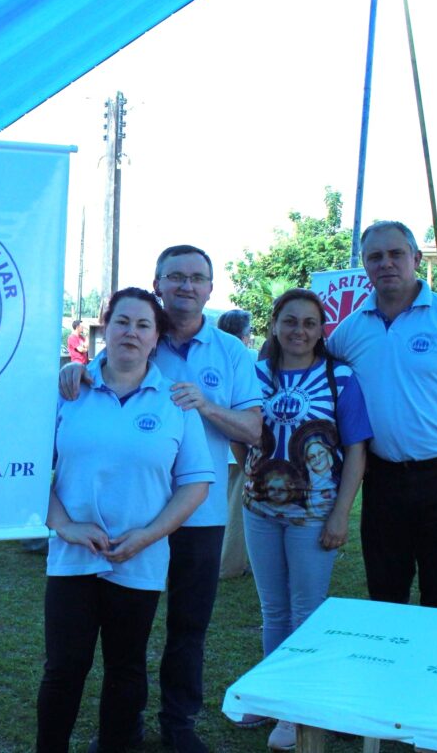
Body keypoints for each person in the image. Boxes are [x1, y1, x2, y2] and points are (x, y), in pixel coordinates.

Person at [61, 246, 262, 753]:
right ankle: (122, 728)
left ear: (210, 288)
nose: (186, 286)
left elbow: (254, 429)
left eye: (196, 277)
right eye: (175, 276)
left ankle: (179, 723)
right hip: (134, 513)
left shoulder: (231, 352)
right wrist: (72, 373)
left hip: (199, 511)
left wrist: (206, 406)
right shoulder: (141, 333)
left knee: (188, 625)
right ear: (158, 284)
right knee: (124, 631)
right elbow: (94, 380)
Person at [38, 288, 214, 753]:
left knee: (126, 668)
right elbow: (30, 472)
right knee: (64, 668)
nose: (131, 333)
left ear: (156, 338)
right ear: (106, 327)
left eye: (142, 325)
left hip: (139, 559)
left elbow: (196, 483)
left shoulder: (175, 402)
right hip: (73, 558)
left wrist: (148, 536)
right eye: (122, 321)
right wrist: (65, 526)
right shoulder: (69, 391)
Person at [327, 221, 437, 610]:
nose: (386, 263)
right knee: (385, 597)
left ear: (416, 258)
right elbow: (312, 374)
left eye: (396, 254)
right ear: (364, 264)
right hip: (382, 482)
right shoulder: (349, 332)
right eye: (375, 256)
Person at [239, 289, 371, 750]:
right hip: (259, 510)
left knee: (306, 611)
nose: (299, 330)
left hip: (314, 515)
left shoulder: (340, 377)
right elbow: (242, 437)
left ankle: (296, 711)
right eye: (290, 321)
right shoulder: (254, 374)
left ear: (321, 330)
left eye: (310, 323)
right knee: (273, 610)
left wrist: (340, 514)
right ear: (275, 325)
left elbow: (356, 451)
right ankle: (273, 694)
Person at [216, 309, 255, 580]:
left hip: (216, 445)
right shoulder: (249, 356)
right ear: (244, 335)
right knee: (236, 510)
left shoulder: (212, 355)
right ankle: (229, 565)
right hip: (239, 443)